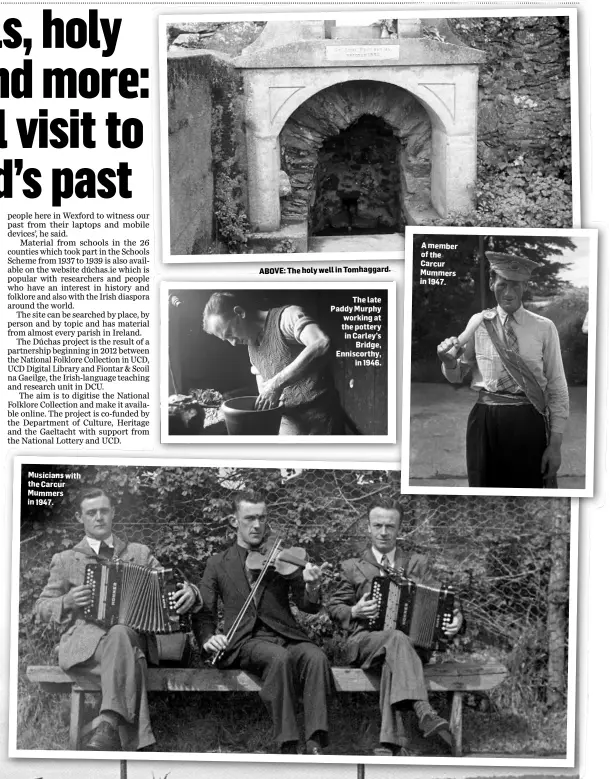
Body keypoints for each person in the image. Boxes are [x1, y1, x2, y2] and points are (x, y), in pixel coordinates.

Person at [35, 487, 199, 751]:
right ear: (80, 517)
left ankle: (108, 723)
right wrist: (66, 601)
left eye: (103, 511)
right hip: (87, 647)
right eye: (91, 513)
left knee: (122, 632)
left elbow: (173, 586)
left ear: (113, 513)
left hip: (134, 637)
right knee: (130, 655)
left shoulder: (139, 553)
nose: (98, 517)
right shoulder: (66, 560)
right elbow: (40, 607)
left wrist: (190, 593)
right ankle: (136, 741)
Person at [193, 491, 334, 755]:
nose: (257, 525)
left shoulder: (281, 558)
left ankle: (316, 742)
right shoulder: (217, 563)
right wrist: (207, 638)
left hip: (284, 633)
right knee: (278, 658)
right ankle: (288, 743)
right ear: (234, 521)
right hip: (246, 640)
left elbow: (308, 605)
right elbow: (203, 610)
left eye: (262, 518)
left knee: (316, 657)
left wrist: (312, 585)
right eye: (249, 518)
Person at [326, 500, 463, 757]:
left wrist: (457, 620)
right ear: (368, 528)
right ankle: (423, 711)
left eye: (390, 526)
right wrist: (353, 611)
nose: (383, 531)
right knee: (397, 640)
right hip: (365, 643)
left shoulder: (416, 564)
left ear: (399, 529)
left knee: (397, 650)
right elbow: (334, 607)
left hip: (409, 648)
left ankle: (390, 744)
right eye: (377, 525)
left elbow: (446, 602)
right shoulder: (352, 566)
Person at [437, 252, 569, 488]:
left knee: (529, 487)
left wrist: (555, 445)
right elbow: (457, 375)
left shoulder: (544, 328)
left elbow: (557, 387)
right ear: (491, 284)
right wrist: (447, 361)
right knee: (484, 488)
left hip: (529, 422)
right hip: (485, 421)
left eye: (515, 285)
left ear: (525, 286)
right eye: (502, 284)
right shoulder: (478, 323)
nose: (508, 293)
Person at [202, 291, 346, 435]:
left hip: (321, 419)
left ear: (240, 312)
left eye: (229, 333)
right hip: (290, 421)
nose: (232, 343)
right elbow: (265, 389)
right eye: (226, 339)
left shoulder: (287, 317)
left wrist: (276, 384)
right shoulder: (251, 347)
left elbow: (322, 343)